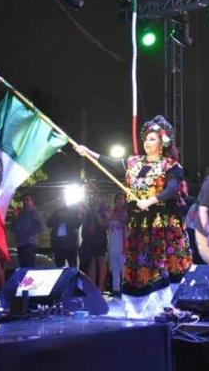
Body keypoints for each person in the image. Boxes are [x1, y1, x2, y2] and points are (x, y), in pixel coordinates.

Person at [75, 115, 191, 316]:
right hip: (139, 227)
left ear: (163, 142)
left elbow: (172, 189)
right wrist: (88, 153)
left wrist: (151, 200)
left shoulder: (171, 166)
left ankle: (167, 307)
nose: (147, 142)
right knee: (140, 267)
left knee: (163, 266)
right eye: (146, 138)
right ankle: (140, 308)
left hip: (162, 226)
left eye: (153, 139)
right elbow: (109, 162)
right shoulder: (133, 163)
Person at [82, 195, 110, 292]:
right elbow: (85, 224)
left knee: (101, 260)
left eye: (98, 198)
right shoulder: (89, 211)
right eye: (95, 198)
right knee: (92, 261)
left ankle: (101, 287)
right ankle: (92, 286)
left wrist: (98, 216)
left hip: (101, 238)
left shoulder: (105, 210)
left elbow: (107, 223)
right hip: (91, 239)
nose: (96, 199)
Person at [47, 203, 87, 269]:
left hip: (70, 244)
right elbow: (48, 223)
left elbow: (77, 224)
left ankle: (73, 279)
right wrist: (58, 218)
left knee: (72, 266)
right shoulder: (56, 213)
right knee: (59, 267)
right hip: (58, 244)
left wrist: (67, 218)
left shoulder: (73, 213)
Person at [11, 193, 42, 268]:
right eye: (24, 200)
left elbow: (39, 227)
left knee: (29, 266)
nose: (25, 202)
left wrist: (26, 232)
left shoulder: (34, 213)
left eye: (28, 200)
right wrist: (15, 218)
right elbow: (13, 228)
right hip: (21, 243)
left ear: (32, 201)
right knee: (23, 266)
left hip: (30, 243)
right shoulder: (21, 214)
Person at [108, 193, 128, 295]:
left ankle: (125, 289)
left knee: (123, 269)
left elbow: (125, 220)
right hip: (112, 246)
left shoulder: (126, 212)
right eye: (117, 199)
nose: (118, 201)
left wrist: (113, 216)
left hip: (123, 246)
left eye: (121, 199)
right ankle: (115, 289)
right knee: (114, 269)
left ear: (125, 201)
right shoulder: (111, 213)